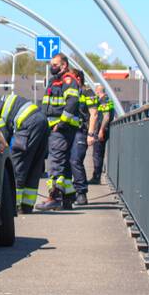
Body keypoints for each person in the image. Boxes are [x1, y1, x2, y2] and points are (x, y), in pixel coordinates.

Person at [0, 90, 49, 214]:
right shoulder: (0, 100)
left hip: (28, 124)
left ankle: (13, 205)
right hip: (42, 121)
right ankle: (27, 205)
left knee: (16, 165)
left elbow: (3, 133)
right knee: (34, 165)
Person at [36, 53, 82, 210]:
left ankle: (53, 196)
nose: (51, 67)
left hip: (62, 128)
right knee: (65, 163)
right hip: (54, 126)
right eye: (51, 64)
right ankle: (68, 199)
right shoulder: (53, 81)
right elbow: (46, 104)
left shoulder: (68, 80)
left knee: (55, 162)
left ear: (64, 65)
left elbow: (72, 102)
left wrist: (61, 122)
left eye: (55, 65)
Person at [67, 69, 95, 206]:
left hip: (81, 131)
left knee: (75, 160)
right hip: (67, 131)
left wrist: (90, 134)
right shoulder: (68, 90)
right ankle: (67, 193)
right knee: (65, 162)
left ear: (77, 78)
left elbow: (94, 114)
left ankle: (81, 193)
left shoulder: (88, 92)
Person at [88, 84, 115, 185]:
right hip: (104, 129)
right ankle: (96, 176)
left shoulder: (103, 100)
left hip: (102, 130)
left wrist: (101, 130)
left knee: (97, 154)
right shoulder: (108, 99)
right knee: (98, 153)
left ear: (98, 91)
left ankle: (96, 177)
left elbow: (106, 116)